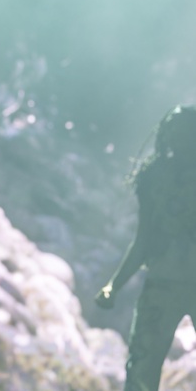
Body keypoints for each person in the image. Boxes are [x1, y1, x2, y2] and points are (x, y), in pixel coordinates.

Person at [95, 104, 196, 391]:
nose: (176, 134)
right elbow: (144, 239)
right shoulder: (155, 177)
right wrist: (114, 285)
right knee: (141, 369)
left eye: (184, 129)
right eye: (172, 127)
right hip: (161, 284)